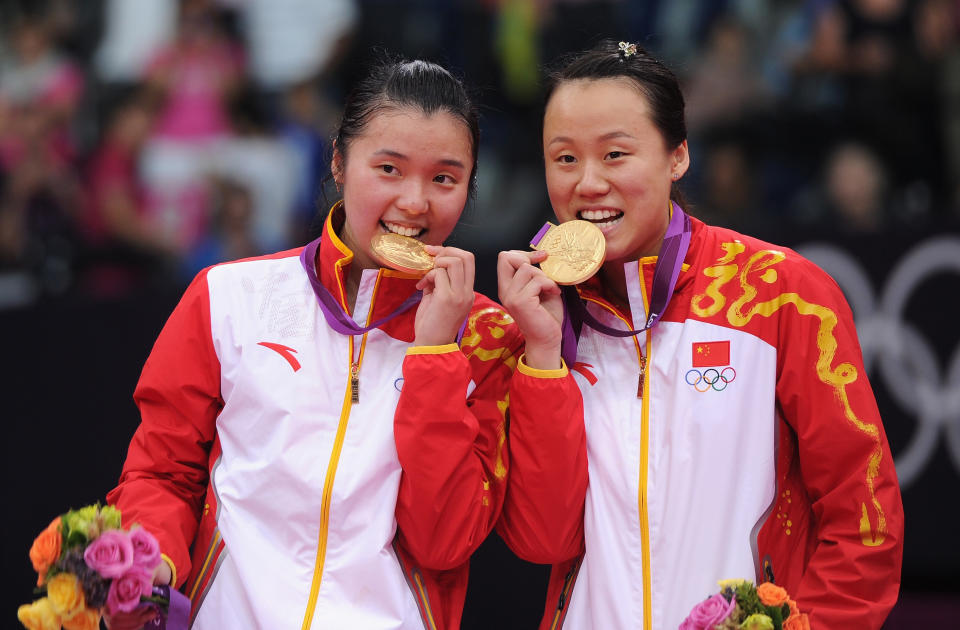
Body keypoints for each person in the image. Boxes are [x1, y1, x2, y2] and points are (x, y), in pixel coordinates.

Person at [105, 57, 531, 630]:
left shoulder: (485, 336)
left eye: (444, 179)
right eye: (388, 168)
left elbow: (443, 542)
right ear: (338, 161)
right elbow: (162, 470)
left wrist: (434, 355)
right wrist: (150, 556)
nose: (414, 201)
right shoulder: (231, 295)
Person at [496, 40, 904, 629]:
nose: (587, 183)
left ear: (677, 155)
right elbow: (543, 539)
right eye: (564, 159)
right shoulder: (541, 320)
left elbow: (864, 513)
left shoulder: (781, 293)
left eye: (615, 154)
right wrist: (540, 354)